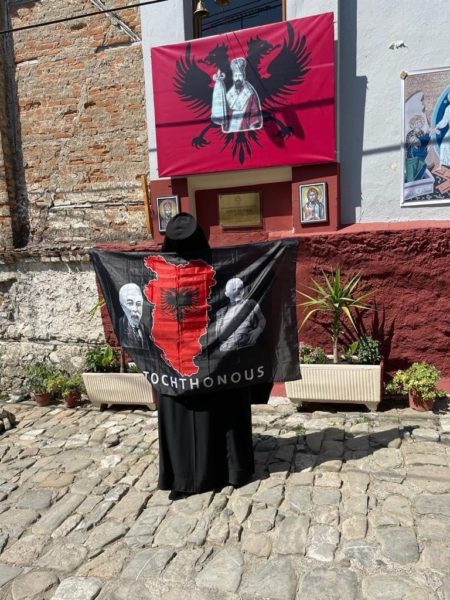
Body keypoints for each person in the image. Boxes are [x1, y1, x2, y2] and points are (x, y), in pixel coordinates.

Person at [156, 213, 254, 495]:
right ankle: (231, 469)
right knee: (225, 413)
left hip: (179, 364)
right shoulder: (219, 269)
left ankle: (183, 474)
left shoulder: (160, 275)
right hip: (214, 365)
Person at [211, 57, 263, 133]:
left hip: (244, 129)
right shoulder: (229, 94)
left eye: (240, 75)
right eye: (235, 76)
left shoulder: (250, 93)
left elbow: (254, 114)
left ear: (244, 76)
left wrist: (253, 127)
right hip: (230, 130)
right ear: (233, 77)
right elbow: (223, 111)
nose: (237, 78)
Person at [215, 277, 266, 352]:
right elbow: (218, 336)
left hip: (247, 348)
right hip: (227, 351)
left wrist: (258, 330)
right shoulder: (221, 312)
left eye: (240, 288)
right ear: (227, 294)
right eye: (233, 289)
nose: (238, 291)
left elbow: (262, 319)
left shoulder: (250, 303)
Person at [118, 283, 149, 349]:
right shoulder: (120, 325)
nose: (135, 309)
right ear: (122, 305)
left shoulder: (143, 326)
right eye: (130, 303)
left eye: (138, 303)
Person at [405, 115, 431, 181]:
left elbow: (423, 143)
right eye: (416, 123)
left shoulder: (422, 132)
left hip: (420, 153)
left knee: (420, 166)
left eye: (419, 122)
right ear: (412, 124)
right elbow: (413, 142)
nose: (418, 124)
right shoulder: (410, 133)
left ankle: (417, 177)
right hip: (413, 153)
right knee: (413, 169)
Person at [434, 93, 450, 167]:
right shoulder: (448, 109)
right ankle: (446, 166)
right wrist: (438, 126)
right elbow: (444, 121)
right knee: (444, 146)